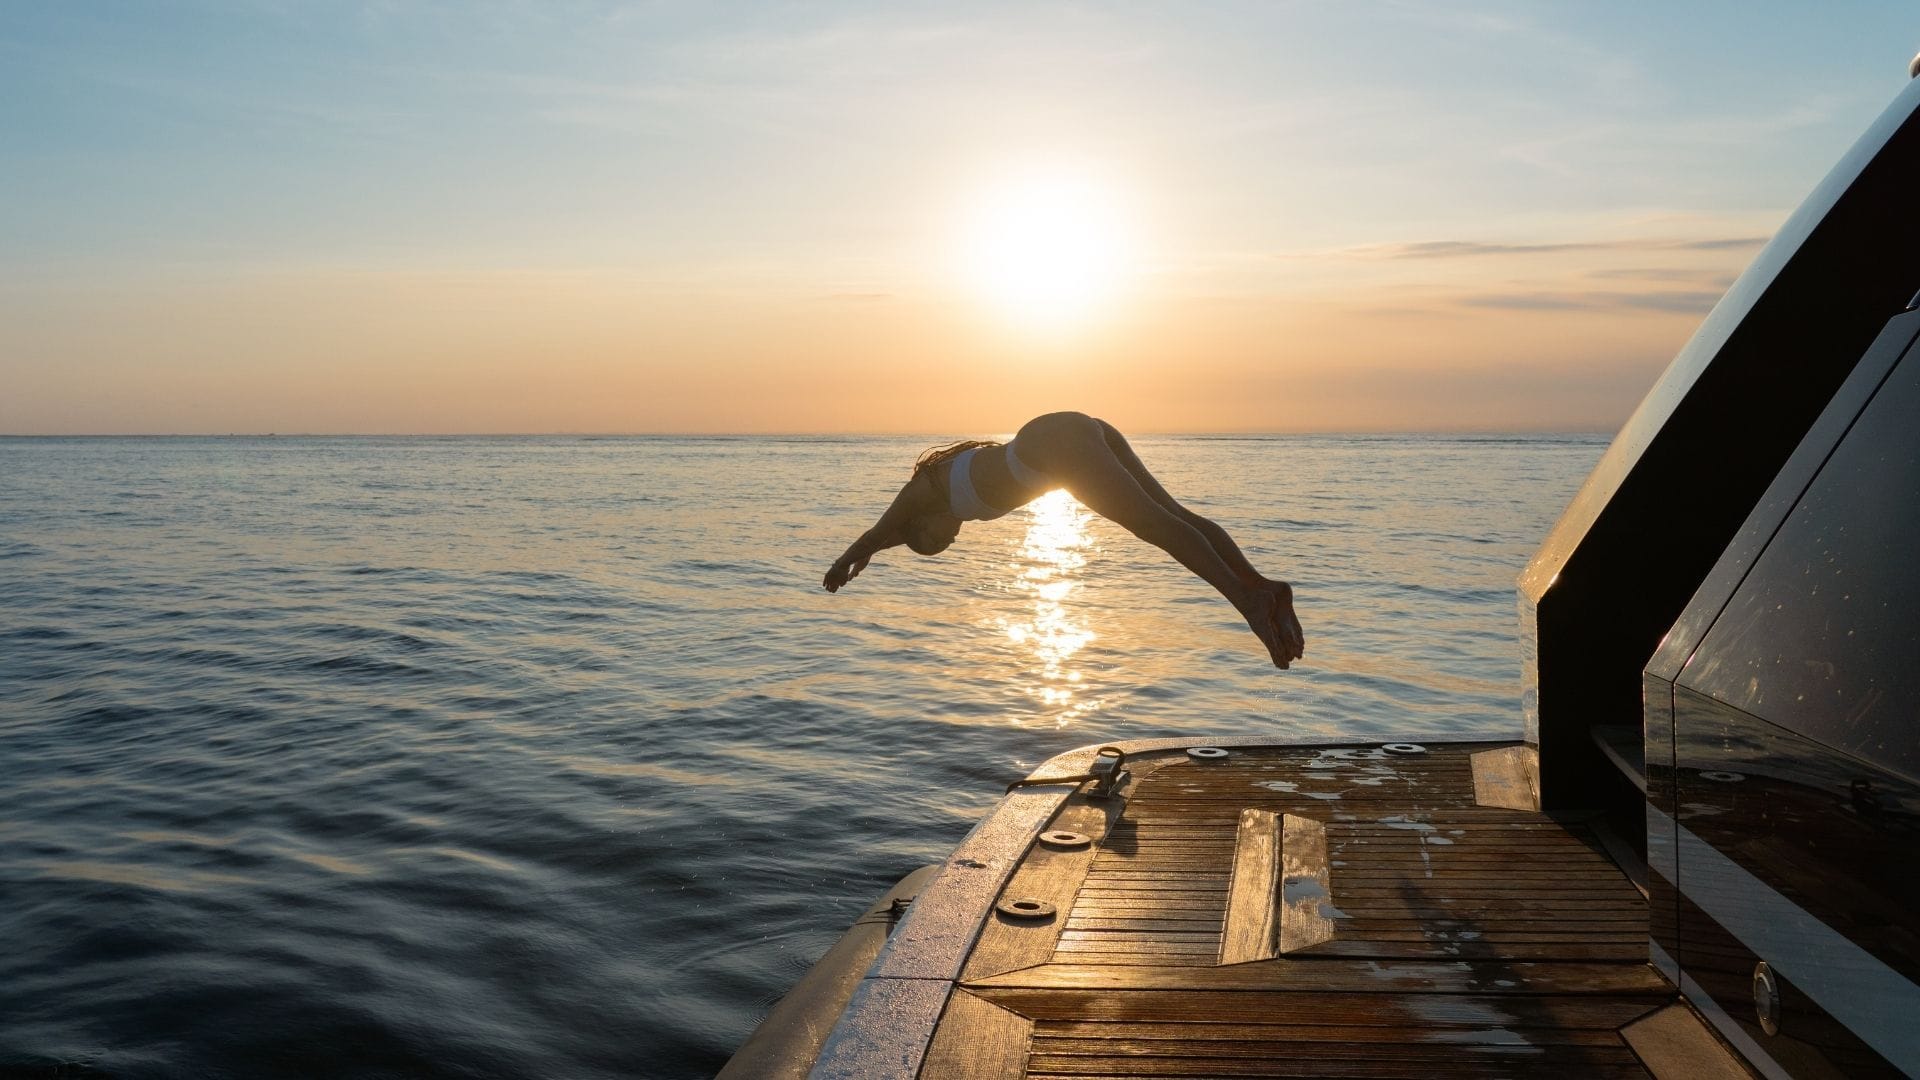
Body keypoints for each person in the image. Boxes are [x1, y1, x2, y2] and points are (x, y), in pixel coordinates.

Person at [822, 411, 1305, 668]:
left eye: (933, 543)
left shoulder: (920, 491)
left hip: (1049, 447)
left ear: (919, 522)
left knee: (1153, 526)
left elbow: (881, 530)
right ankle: (1262, 586)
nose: (947, 542)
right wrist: (872, 554)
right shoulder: (939, 503)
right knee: (1173, 516)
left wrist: (845, 561)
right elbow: (888, 538)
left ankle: (1248, 602)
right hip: (1067, 432)